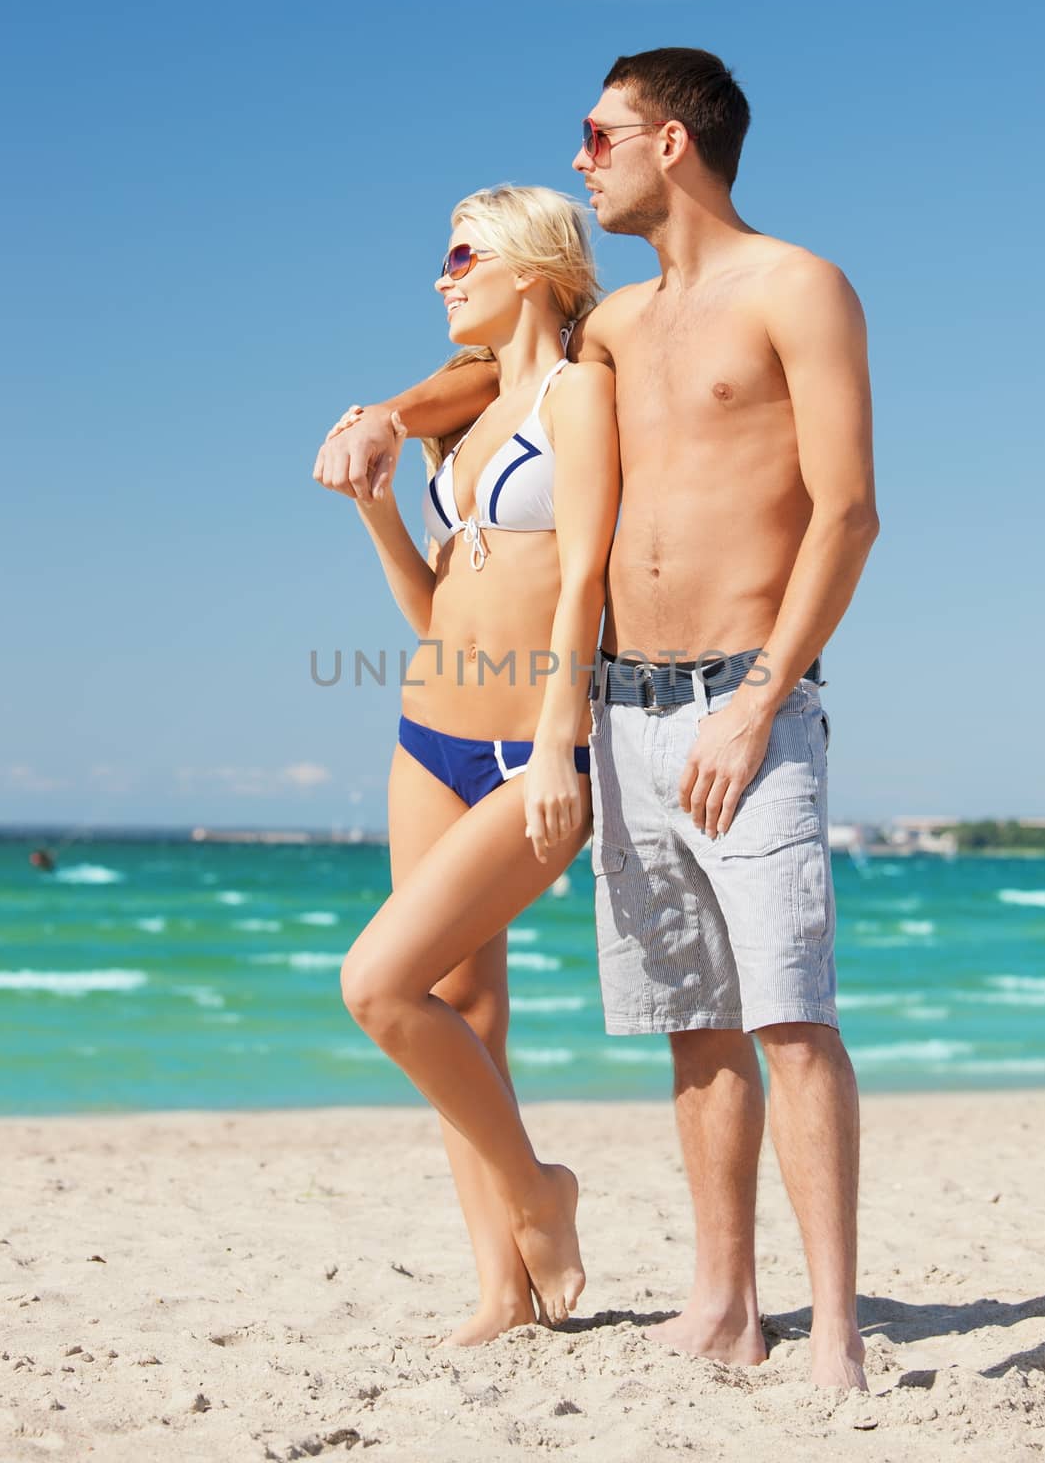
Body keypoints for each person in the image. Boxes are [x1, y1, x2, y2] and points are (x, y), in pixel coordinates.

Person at [317, 48, 878, 1391]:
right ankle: (721, 1305)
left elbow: (847, 511)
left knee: (789, 1016)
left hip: (746, 702)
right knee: (693, 1022)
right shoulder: (615, 327)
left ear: (671, 141)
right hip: (626, 709)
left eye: (600, 132)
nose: (581, 157)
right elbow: (488, 384)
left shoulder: (797, 286)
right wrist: (384, 417)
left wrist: (757, 702)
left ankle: (839, 1329)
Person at [316, 185, 619, 1345]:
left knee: (376, 986)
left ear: (534, 267)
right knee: (460, 1010)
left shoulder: (572, 395)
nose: (441, 277)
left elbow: (582, 579)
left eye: (460, 255)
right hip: (422, 735)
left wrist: (556, 745)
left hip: (521, 749)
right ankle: (500, 1293)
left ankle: (543, 1192)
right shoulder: (471, 413)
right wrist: (378, 512)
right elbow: (434, 606)